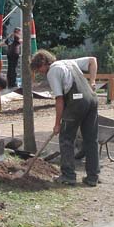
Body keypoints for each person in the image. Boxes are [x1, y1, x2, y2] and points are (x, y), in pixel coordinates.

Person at [30, 50, 99, 187]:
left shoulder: (53, 72)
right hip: (92, 100)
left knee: (66, 138)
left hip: (77, 103)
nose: (40, 72)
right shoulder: (69, 62)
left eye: (39, 69)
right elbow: (93, 60)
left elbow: (60, 99)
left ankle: (68, 176)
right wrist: (92, 82)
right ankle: (92, 177)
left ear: (43, 62)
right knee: (91, 140)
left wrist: (57, 124)